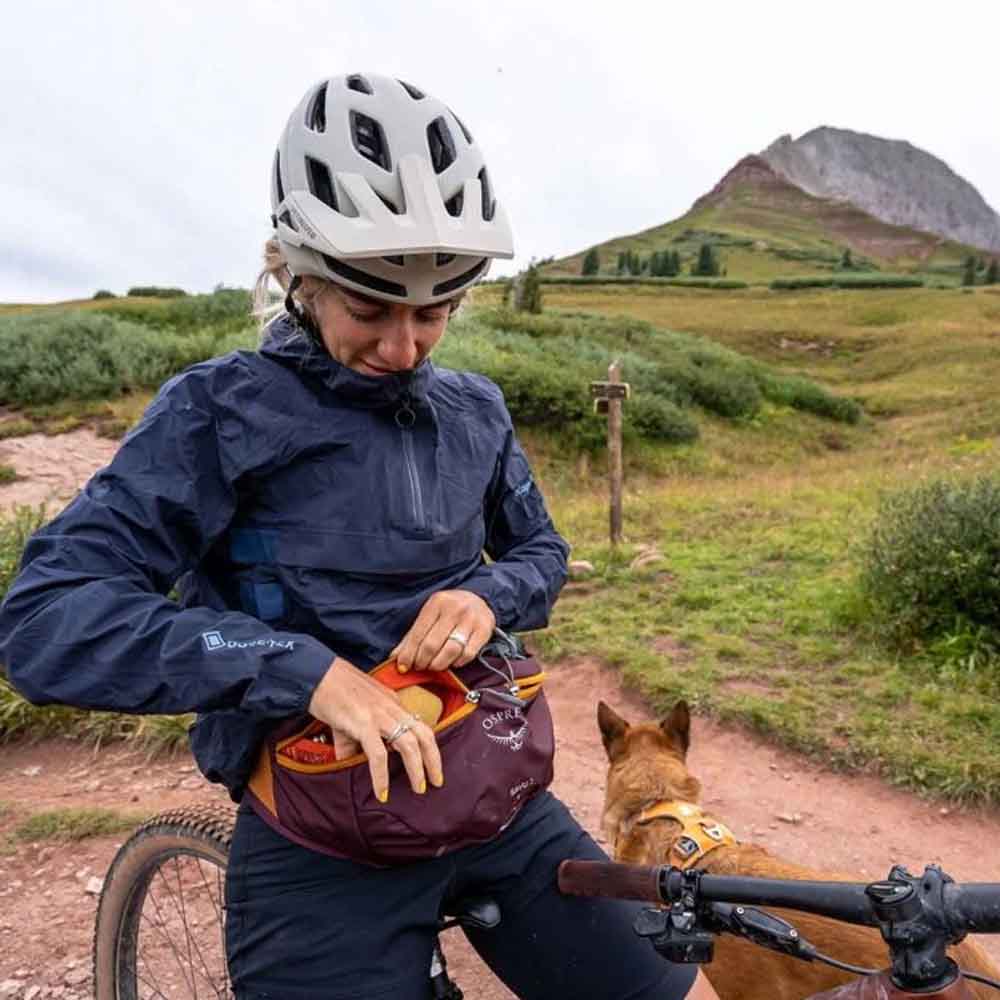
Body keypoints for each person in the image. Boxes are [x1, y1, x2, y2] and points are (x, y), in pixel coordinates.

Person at [0, 73, 720, 1000]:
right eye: (370, 309)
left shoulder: (476, 410)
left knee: (650, 990)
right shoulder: (217, 411)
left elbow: (541, 554)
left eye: (435, 311)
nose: (405, 347)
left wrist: (487, 594)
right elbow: (44, 620)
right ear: (296, 276)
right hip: (320, 833)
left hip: (489, 792)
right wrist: (300, 669)